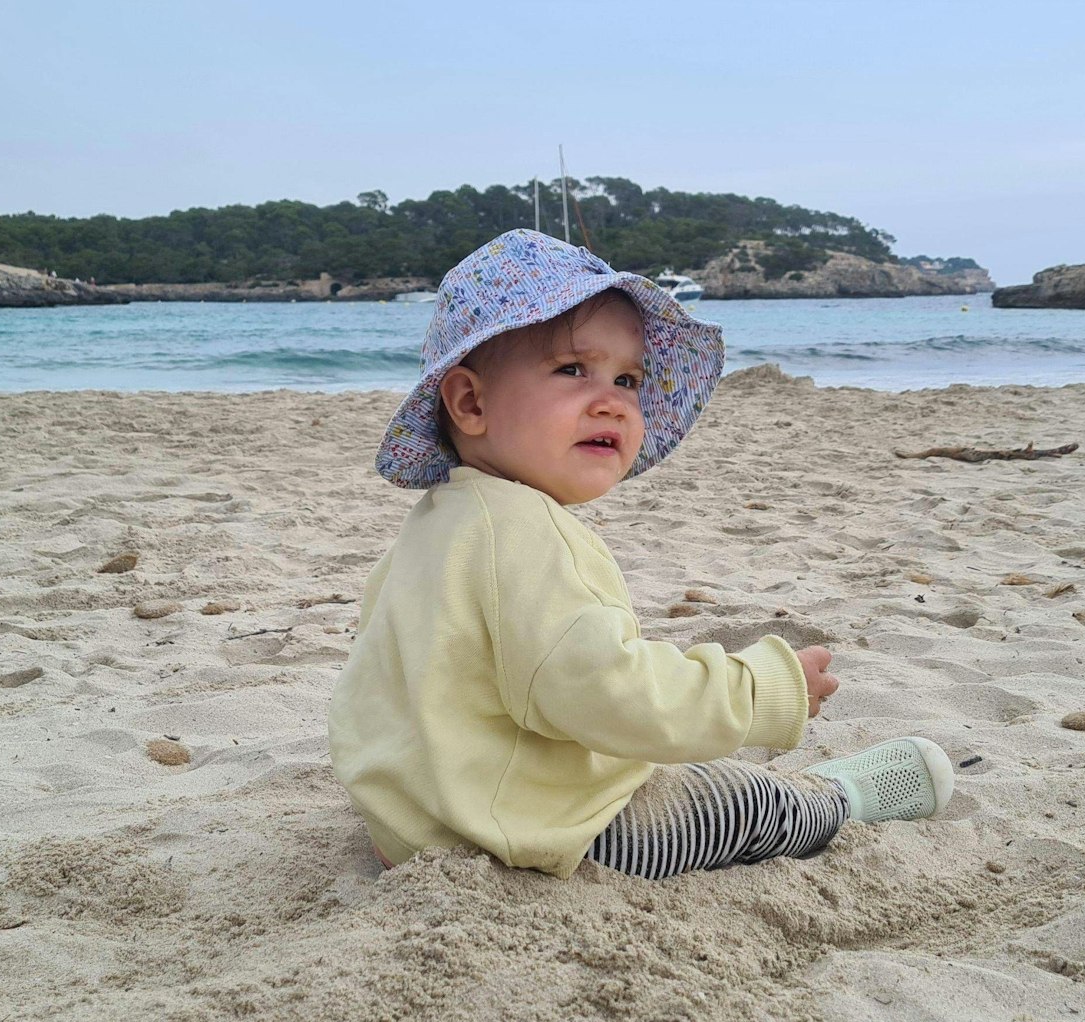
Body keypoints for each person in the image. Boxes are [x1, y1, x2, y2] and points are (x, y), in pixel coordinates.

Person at [327, 230, 955, 880]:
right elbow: (612, 695)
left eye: (627, 378)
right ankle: (832, 801)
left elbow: (376, 686)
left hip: (416, 818)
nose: (613, 401)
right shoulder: (524, 533)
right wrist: (763, 689)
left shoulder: (436, 523)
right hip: (535, 831)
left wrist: (402, 812)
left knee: (662, 760)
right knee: (729, 800)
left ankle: (416, 822)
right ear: (471, 402)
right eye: (572, 369)